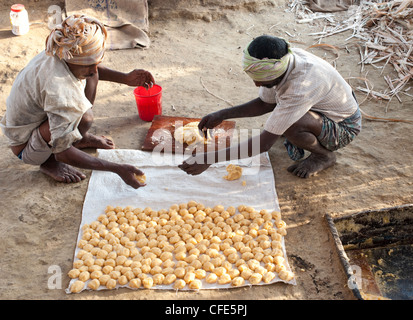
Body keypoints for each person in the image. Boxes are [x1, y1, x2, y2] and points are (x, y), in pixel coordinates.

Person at [1, 14, 155, 188]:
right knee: (81, 118)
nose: (94, 70)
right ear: (72, 61)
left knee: (90, 81)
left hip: (38, 121)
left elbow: (91, 68)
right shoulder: (58, 89)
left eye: (96, 62)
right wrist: (117, 168)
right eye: (89, 65)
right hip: (27, 147)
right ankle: (48, 163)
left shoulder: (63, 50)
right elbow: (63, 154)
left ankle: (77, 138)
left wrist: (126, 78)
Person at [179, 35, 361, 178]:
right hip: (319, 111)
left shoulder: (301, 86)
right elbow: (265, 103)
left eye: (262, 82)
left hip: (344, 127)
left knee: (291, 124)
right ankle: (299, 131)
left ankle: (324, 155)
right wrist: (223, 114)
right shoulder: (283, 61)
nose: (257, 86)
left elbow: (264, 144)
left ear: (276, 73)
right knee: (282, 116)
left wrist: (210, 158)